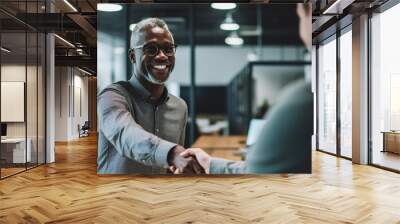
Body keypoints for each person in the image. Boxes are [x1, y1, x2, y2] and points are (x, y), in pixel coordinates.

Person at [172, 3, 313, 174]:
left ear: (309, 12)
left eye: (298, 16)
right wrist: (211, 164)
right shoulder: (308, 98)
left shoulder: (303, 101)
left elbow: (257, 174)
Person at [97, 18, 204, 174]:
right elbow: (126, 134)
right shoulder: (111, 97)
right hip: (118, 195)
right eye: (151, 49)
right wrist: (172, 153)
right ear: (132, 56)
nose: (162, 56)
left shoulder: (180, 107)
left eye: (168, 49)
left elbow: (174, 169)